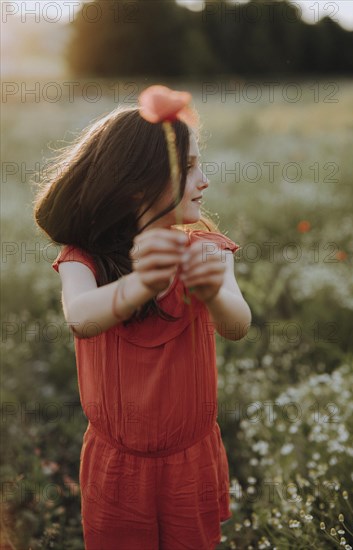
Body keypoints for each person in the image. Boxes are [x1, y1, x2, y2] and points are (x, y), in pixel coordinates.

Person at [33, 104, 252, 550]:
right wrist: (141, 284)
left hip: (189, 461)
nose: (204, 179)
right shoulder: (84, 259)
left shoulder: (207, 250)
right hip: (118, 468)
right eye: (189, 168)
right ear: (137, 186)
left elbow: (238, 325)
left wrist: (211, 293)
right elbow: (81, 319)